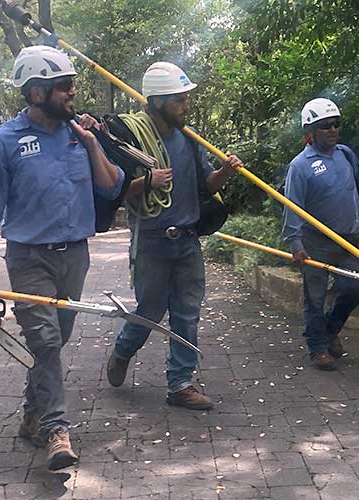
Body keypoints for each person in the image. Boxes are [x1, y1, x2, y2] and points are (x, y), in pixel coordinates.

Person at [0, 45, 124, 470]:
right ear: (37, 93)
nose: (72, 93)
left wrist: (92, 144)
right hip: (29, 259)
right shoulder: (5, 143)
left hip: (75, 256)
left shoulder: (80, 135)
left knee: (55, 342)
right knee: (47, 341)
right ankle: (57, 429)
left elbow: (111, 187)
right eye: (64, 86)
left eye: (72, 84)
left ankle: (32, 414)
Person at [104, 62, 243, 410]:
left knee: (187, 311)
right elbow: (112, 192)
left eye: (185, 99)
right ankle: (123, 350)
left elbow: (206, 186)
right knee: (150, 310)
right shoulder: (131, 140)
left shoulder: (189, 138)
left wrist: (225, 171)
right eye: (179, 100)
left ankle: (180, 384)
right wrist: (146, 182)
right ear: (157, 102)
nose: (186, 106)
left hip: (187, 239)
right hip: (151, 239)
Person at [282, 98, 359, 371]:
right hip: (316, 243)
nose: (333, 130)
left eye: (336, 124)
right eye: (325, 126)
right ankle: (317, 348)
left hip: (348, 240)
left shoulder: (346, 154)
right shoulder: (300, 166)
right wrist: (295, 242)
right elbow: (292, 207)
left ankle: (330, 329)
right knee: (315, 296)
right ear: (310, 131)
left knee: (353, 289)